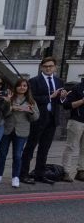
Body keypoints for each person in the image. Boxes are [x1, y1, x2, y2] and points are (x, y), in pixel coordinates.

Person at [21, 55, 67, 184]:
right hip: (38, 119)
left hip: (52, 119)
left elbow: (60, 101)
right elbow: (31, 99)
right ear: (41, 67)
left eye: (50, 66)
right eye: (45, 66)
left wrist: (62, 97)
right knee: (30, 147)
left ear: (55, 67)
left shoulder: (59, 81)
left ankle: (39, 174)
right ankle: (23, 174)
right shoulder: (34, 81)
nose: (48, 68)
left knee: (44, 149)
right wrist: (49, 97)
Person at [0, 76, 38, 188]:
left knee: (17, 155)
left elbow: (36, 117)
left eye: (24, 86)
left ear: (27, 88)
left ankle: (15, 177)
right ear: (16, 87)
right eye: (19, 85)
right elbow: (3, 113)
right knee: (2, 153)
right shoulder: (9, 97)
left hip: (21, 131)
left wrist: (30, 111)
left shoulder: (31, 101)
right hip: (7, 129)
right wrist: (11, 107)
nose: (22, 88)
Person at [61, 74, 84, 183]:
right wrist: (82, 101)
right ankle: (66, 172)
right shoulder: (77, 88)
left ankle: (81, 171)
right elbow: (66, 105)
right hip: (76, 121)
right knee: (71, 147)